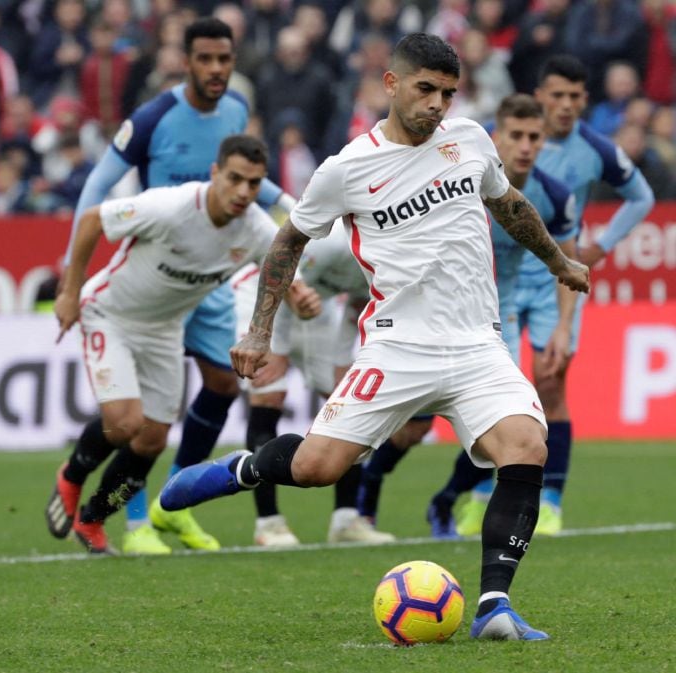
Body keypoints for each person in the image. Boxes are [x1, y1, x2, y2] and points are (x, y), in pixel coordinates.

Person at [160, 34, 589, 641]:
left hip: (476, 344)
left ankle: (495, 605)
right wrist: (258, 330)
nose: (437, 103)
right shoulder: (347, 168)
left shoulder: (470, 140)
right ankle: (246, 468)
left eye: (447, 93)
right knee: (316, 467)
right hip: (397, 347)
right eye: (425, 89)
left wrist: (558, 262)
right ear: (391, 84)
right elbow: (288, 241)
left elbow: (509, 204)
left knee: (526, 446)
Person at [53, 17, 298, 556]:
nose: (215, 69)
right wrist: (71, 275)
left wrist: (287, 203)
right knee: (133, 419)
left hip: (208, 273)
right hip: (160, 259)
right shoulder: (153, 117)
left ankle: (174, 501)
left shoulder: (236, 110)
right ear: (185, 62)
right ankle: (135, 521)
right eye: (205, 59)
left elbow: (247, 177)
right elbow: (97, 186)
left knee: (222, 383)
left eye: (224, 59)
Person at [355, 93, 579, 539]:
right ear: (497, 136)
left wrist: (563, 326)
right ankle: (366, 498)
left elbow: (567, 262)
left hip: (496, 315)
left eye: (534, 137)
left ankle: (448, 499)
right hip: (438, 311)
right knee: (413, 428)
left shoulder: (553, 196)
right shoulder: (459, 177)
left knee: (507, 420)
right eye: (516, 135)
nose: (525, 147)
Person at [454, 55, 656, 537]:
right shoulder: (498, 138)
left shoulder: (596, 149)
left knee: (550, 386)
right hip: (497, 283)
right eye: (558, 95)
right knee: (491, 395)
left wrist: (600, 247)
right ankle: (480, 496)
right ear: (540, 97)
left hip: (553, 279)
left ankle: (551, 503)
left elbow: (642, 198)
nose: (566, 105)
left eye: (575, 97)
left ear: (585, 100)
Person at [230, 225, 396, 546]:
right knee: (269, 393)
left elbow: (358, 307)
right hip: (266, 301)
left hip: (319, 311)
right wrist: (272, 342)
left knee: (349, 399)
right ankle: (269, 524)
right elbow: (280, 268)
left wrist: (343, 362)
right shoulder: (334, 243)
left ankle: (346, 521)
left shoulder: (393, 260)